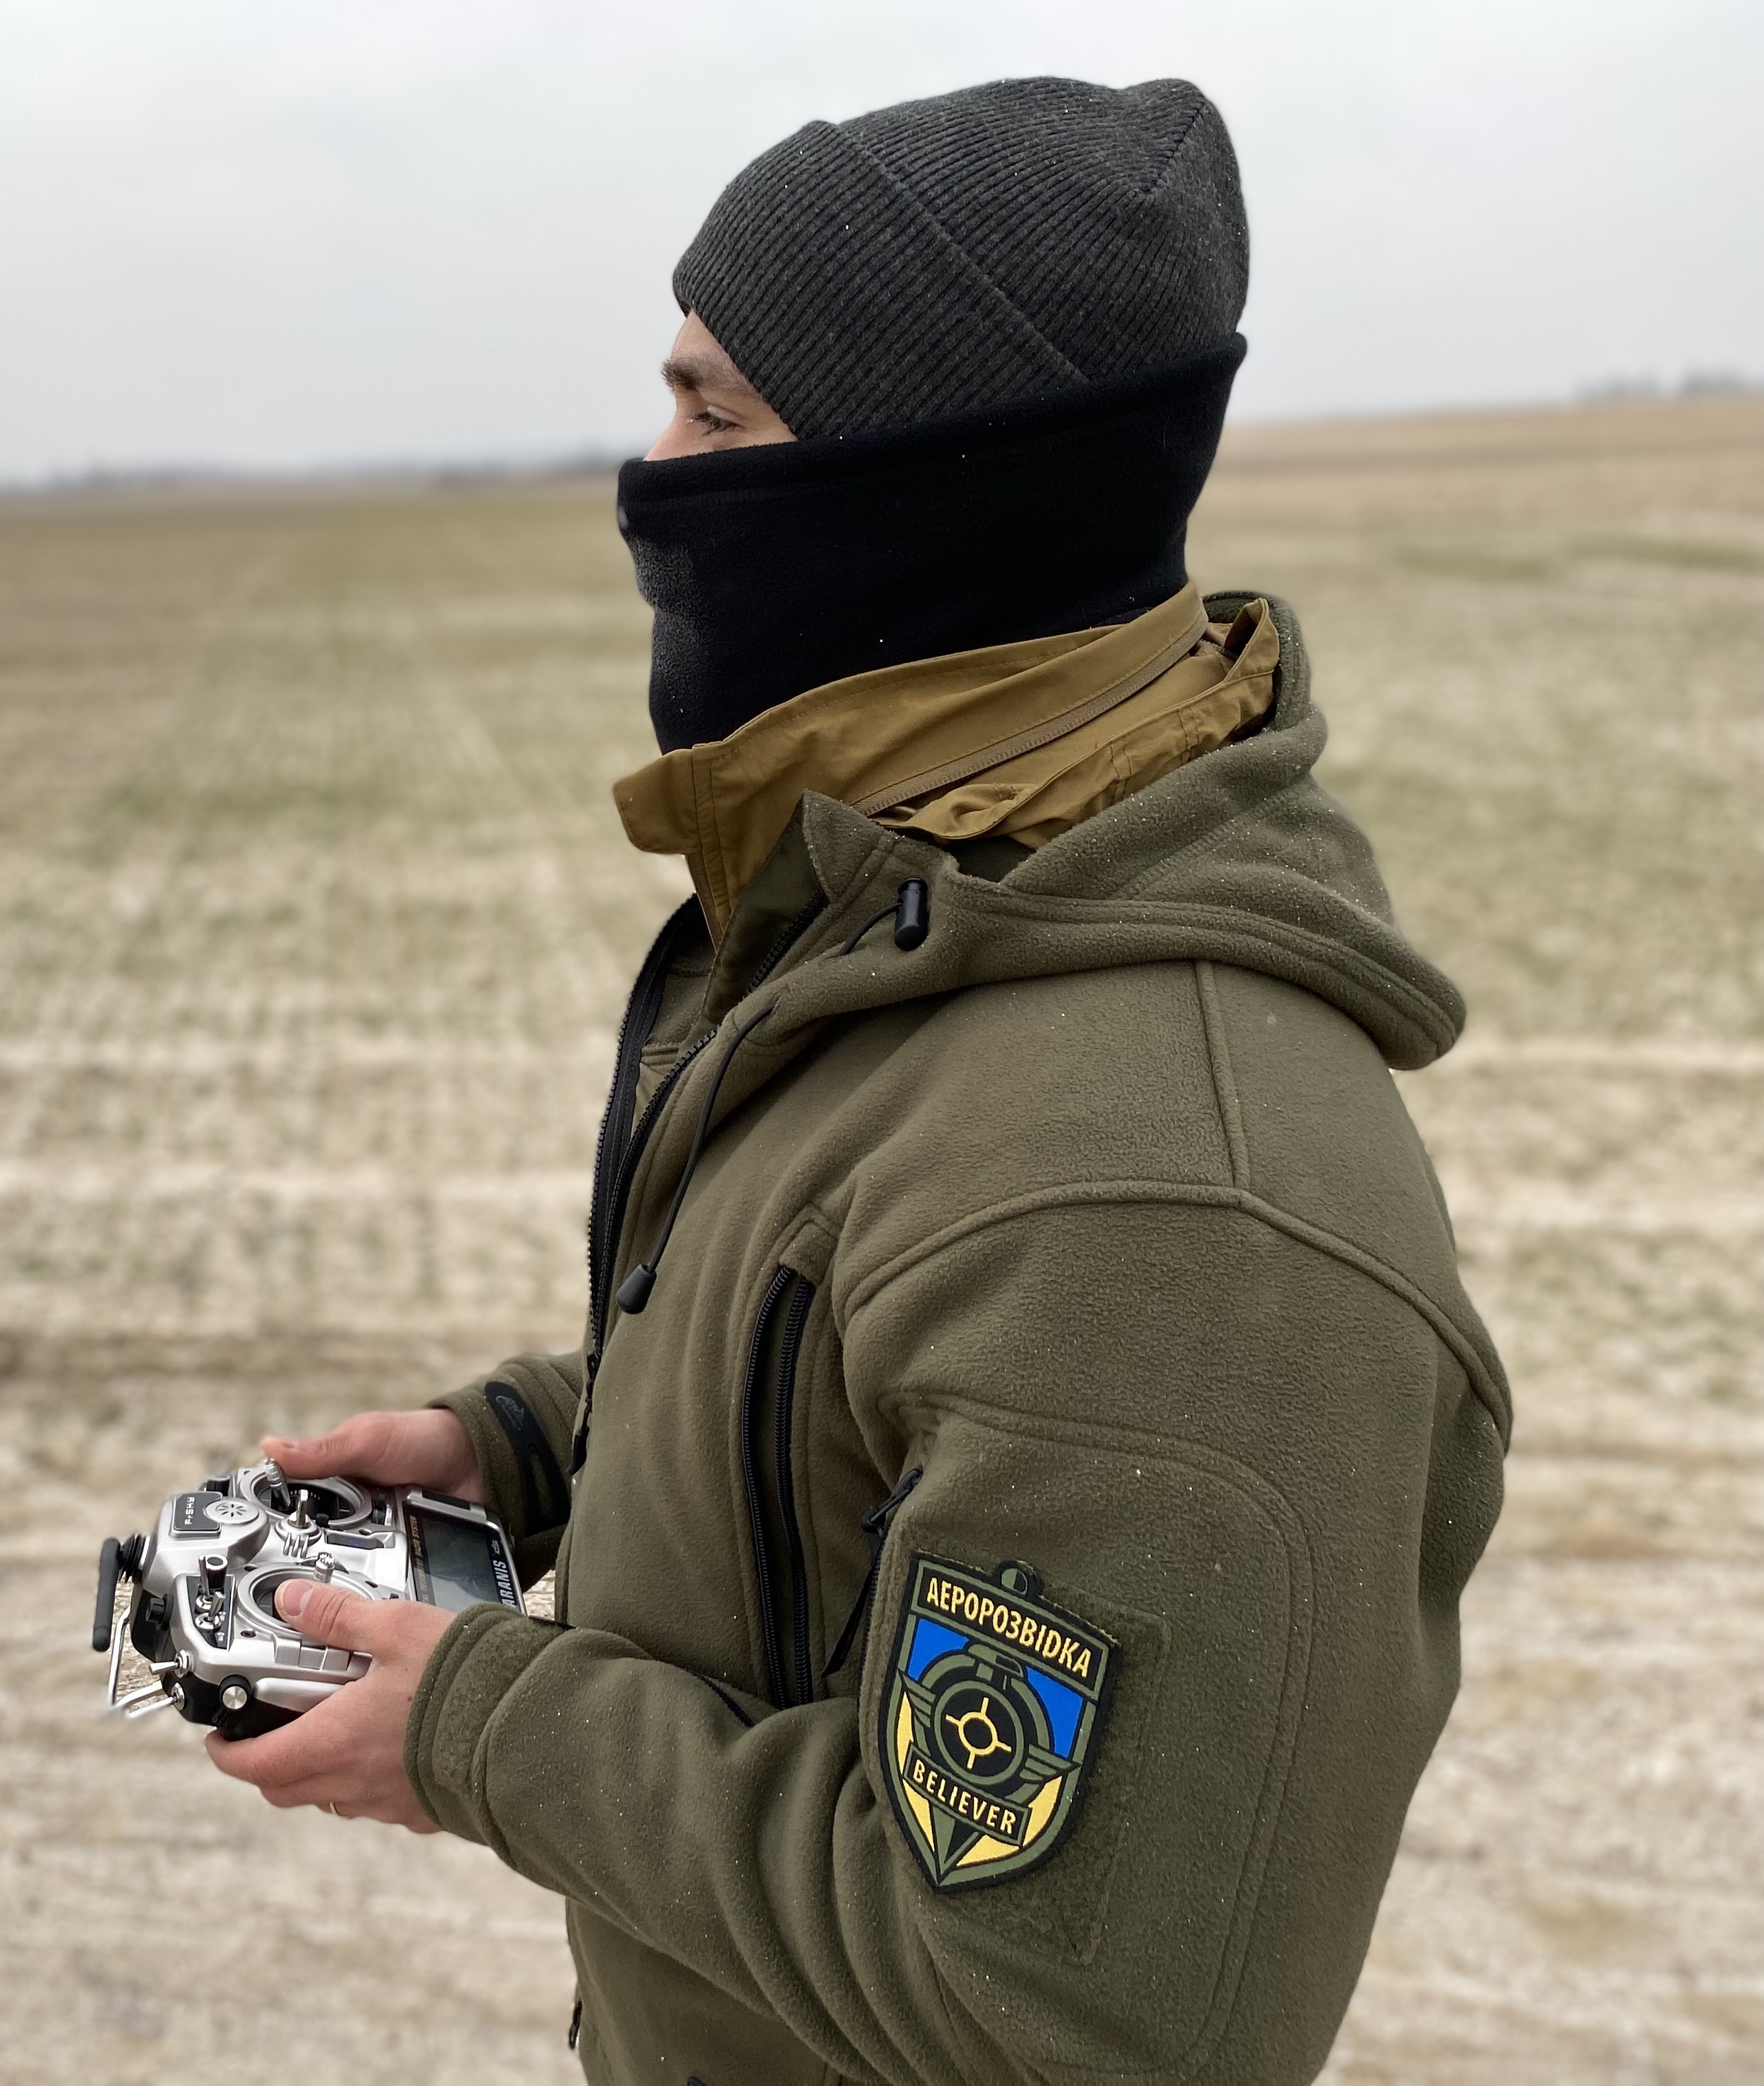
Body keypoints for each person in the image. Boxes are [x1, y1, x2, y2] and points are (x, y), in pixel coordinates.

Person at [206, 75, 1508, 2086]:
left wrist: (483, 1725)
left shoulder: (1157, 1202)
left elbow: (1065, 2005)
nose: (651, 474)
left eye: (715, 413)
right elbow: (880, 1372)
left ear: (932, 479)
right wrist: (542, 1453)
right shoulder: (940, 918)